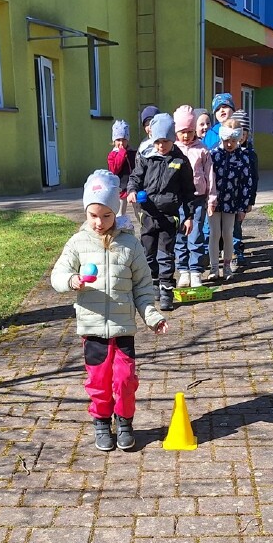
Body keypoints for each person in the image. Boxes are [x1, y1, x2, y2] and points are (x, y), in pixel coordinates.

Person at [51, 170, 168, 452]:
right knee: (98, 381)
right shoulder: (78, 243)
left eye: (106, 215)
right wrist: (72, 280)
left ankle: (125, 422)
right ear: (86, 212)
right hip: (93, 329)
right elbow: (58, 275)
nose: (99, 222)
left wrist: (152, 316)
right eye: (93, 215)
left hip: (123, 327)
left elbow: (143, 287)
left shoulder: (130, 244)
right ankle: (102, 422)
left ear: (115, 212)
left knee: (125, 379)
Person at [127, 112, 195, 312]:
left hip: (169, 216)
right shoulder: (146, 157)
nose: (161, 146)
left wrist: (189, 216)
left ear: (172, 139)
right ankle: (154, 283)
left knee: (166, 255)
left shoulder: (180, 162)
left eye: (165, 141)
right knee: (148, 253)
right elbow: (135, 177)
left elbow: (188, 192)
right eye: (157, 141)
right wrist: (132, 190)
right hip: (148, 214)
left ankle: (167, 291)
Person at [172, 105, 213, 288]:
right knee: (180, 235)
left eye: (190, 131)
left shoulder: (202, 150)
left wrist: (211, 198)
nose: (186, 136)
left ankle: (195, 271)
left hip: (197, 198)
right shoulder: (174, 150)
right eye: (182, 132)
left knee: (195, 235)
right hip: (178, 200)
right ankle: (183, 271)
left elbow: (210, 175)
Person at [207, 119, 255, 280]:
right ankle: (214, 267)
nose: (230, 144)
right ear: (222, 137)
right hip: (214, 202)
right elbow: (208, 179)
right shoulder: (213, 155)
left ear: (239, 139)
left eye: (234, 141)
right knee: (214, 233)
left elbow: (246, 183)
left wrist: (243, 206)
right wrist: (208, 199)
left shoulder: (243, 157)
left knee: (227, 233)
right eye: (227, 140)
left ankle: (227, 266)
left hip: (232, 202)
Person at [228, 109, 258, 264]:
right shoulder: (225, 151)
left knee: (236, 226)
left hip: (242, 198)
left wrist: (250, 201)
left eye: (243, 134)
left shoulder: (250, 154)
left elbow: (254, 179)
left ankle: (237, 251)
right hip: (227, 197)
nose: (240, 139)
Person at [106, 119, 136, 227]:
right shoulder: (112, 155)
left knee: (139, 212)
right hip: (121, 189)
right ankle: (119, 230)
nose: (121, 143)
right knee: (120, 214)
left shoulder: (133, 153)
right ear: (114, 140)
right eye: (118, 140)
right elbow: (114, 169)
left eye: (124, 140)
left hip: (133, 188)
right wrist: (121, 153)